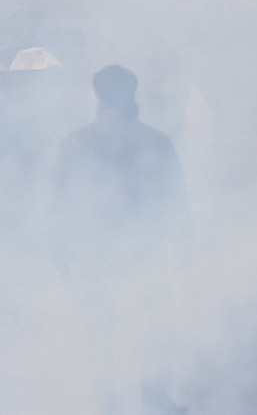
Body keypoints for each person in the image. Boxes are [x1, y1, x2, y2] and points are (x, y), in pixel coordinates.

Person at [51, 64, 191, 415]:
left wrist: (62, 252)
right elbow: (175, 197)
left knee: (103, 327)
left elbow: (60, 204)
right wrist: (184, 242)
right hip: (144, 248)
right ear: (132, 94)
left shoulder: (75, 142)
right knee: (158, 323)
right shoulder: (155, 140)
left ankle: (106, 400)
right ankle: (153, 395)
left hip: (95, 251)